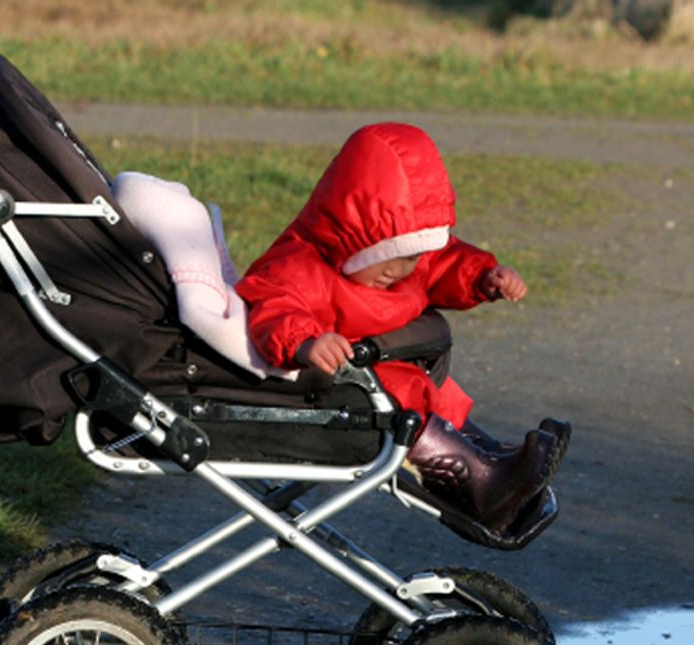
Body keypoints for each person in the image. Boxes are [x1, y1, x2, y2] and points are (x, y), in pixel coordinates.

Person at [235, 122, 570, 534]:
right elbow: (272, 302)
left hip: (383, 373)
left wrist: (484, 277)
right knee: (403, 391)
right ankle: (480, 480)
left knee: (430, 387)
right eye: (387, 256)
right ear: (352, 237)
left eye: (411, 258)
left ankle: (491, 460)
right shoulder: (302, 265)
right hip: (333, 389)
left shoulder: (407, 261)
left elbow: (442, 262)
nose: (399, 271)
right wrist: (304, 341)